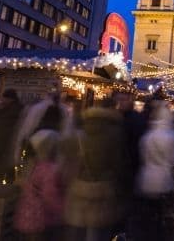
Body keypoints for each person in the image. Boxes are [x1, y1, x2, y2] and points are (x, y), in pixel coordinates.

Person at [61, 98, 131, 241]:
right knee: (97, 231)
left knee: (78, 229)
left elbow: (66, 151)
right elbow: (118, 163)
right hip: (103, 186)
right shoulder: (115, 133)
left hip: (80, 185)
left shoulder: (81, 131)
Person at [136, 100, 174, 241]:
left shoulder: (147, 136)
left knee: (148, 218)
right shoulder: (173, 136)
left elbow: (143, 159)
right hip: (165, 181)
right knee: (164, 219)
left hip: (146, 180)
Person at [14, 129, 65, 240]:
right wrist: (63, 211)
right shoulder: (50, 169)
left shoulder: (31, 165)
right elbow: (50, 195)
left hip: (27, 216)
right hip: (43, 219)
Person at [0, 89, 24, 184]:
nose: (2, 100)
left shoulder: (12, 110)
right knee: (6, 163)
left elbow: (3, 122)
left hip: (6, 140)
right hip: (5, 140)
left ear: (9, 99)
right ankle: (7, 182)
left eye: (4, 98)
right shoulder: (15, 108)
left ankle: (1, 182)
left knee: (4, 163)